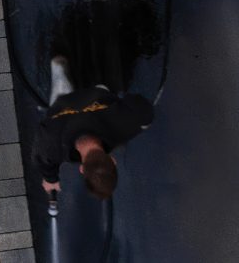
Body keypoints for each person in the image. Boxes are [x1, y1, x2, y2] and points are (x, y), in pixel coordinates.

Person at [34, 54, 155, 210]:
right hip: (61, 109)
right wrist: (50, 180)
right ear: (82, 169)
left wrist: (142, 124)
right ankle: (59, 71)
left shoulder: (126, 124)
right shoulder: (53, 146)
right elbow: (42, 159)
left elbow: (143, 108)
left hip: (97, 95)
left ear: (113, 160)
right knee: (57, 108)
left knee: (105, 91)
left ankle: (65, 70)